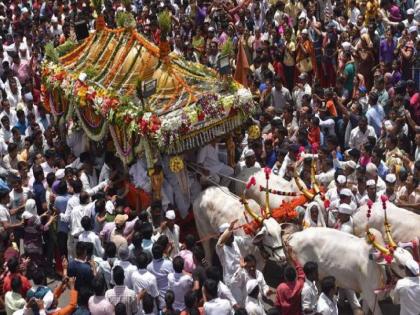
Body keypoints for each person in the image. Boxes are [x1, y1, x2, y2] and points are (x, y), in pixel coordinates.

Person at [275, 248, 305, 315]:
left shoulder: (280, 287)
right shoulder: (300, 285)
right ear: (295, 275)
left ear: (285, 277)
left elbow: (277, 305)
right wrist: (293, 258)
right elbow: (301, 273)